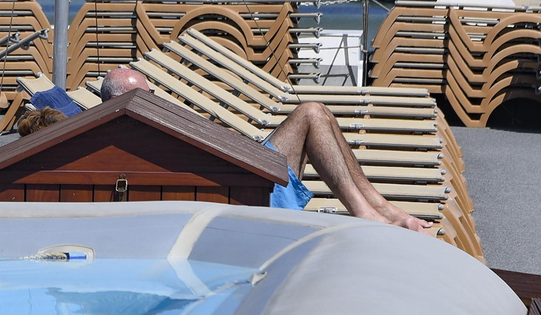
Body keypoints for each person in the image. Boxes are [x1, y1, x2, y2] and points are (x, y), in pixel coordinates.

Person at [99, 66, 434, 233]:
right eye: (141, 97)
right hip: (242, 193)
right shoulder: (123, 144)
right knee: (311, 114)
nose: (149, 103)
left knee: (320, 114)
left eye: (150, 95)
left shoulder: (142, 130)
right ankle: (368, 215)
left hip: (240, 171)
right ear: (118, 103)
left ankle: (381, 208)